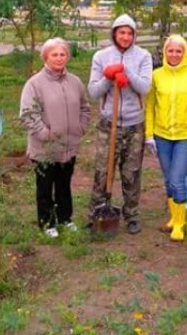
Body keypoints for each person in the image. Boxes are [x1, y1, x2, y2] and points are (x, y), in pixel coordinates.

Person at [88, 14, 152, 234]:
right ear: (114, 33)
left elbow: (144, 87)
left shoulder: (143, 56)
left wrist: (127, 73)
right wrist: (109, 77)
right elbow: (94, 90)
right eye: (121, 32)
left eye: (129, 33)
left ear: (134, 35)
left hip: (135, 124)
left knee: (131, 172)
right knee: (103, 171)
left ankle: (132, 215)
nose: (125, 37)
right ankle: (96, 212)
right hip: (109, 123)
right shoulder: (101, 56)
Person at [20, 38, 91, 238]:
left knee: (64, 185)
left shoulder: (75, 81)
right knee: (45, 187)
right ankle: (47, 222)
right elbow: (28, 114)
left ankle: (65, 218)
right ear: (45, 57)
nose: (59, 58)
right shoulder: (34, 84)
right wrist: (46, 134)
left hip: (69, 145)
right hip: (45, 149)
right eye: (54, 55)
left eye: (63, 54)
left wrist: (81, 127)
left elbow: (85, 107)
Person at [145, 35, 187, 241]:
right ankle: (174, 217)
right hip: (162, 135)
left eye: (178, 51)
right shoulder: (156, 76)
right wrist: (149, 135)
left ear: (185, 53)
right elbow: (150, 107)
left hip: (186, 136)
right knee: (168, 179)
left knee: (177, 178)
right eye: (170, 51)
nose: (174, 54)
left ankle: (180, 224)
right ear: (165, 52)